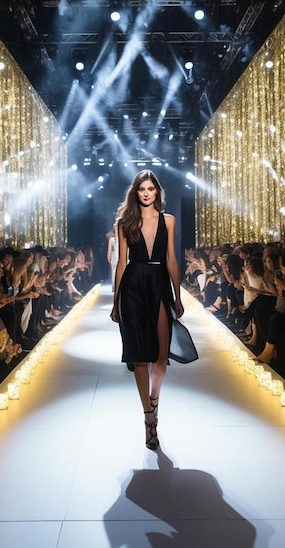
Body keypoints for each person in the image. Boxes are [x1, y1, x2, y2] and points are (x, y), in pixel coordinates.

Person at [110, 170, 184, 451]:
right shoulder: (125, 223)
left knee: (161, 359)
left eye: (151, 188)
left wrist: (177, 296)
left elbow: (172, 261)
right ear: (135, 192)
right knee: (140, 357)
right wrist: (116, 301)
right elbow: (121, 264)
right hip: (132, 288)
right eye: (142, 189)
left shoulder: (169, 221)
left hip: (159, 285)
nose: (146, 193)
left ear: (157, 192)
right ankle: (149, 419)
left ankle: (154, 399)